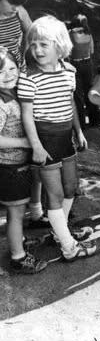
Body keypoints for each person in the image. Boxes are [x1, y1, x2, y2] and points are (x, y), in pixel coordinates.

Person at [19, 16, 100, 261]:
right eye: (33, 45)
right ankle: (69, 247)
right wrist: (36, 147)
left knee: (70, 188)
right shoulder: (29, 77)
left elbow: (70, 103)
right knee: (53, 195)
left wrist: (78, 131)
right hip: (45, 140)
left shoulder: (69, 71)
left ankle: (60, 231)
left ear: (60, 45)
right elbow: (26, 116)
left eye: (44, 44)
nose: (38, 50)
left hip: (66, 138)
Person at [0, 49, 47, 273]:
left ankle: (18, 241)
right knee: (16, 213)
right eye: (0, 71)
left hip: (19, 165)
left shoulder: (15, 93)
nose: (8, 74)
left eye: (11, 68)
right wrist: (24, 142)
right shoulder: (1, 103)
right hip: (9, 168)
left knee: (19, 211)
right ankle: (18, 257)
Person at [67, 14, 100, 128]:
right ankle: (96, 119)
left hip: (75, 63)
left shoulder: (71, 34)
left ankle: (81, 122)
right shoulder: (88, 34)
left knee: (77, 94)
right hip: (87, 63)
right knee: (89, 91)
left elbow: (68, 52)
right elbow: (91, 51)